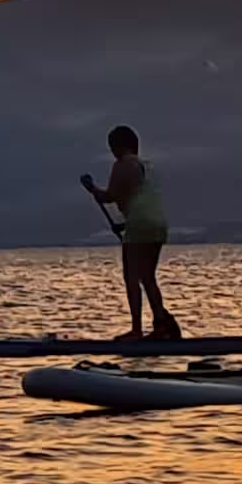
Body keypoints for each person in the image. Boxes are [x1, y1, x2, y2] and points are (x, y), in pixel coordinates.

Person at [80, 125, 181, 341]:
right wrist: (125, 226)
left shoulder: (122, 164)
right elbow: (144, 201)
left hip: (139, 225)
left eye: (112, 146)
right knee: (148, 277)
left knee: (131, 277)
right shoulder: (149, 166)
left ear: (120, 145)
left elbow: (109, 196)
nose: (112, 151)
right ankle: (161, 326)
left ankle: (136, 331)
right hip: (158, 225)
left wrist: (91, 188)